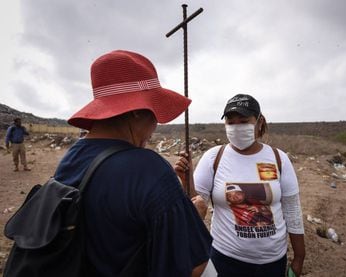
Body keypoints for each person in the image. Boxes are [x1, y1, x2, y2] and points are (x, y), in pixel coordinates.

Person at [53, 50, 211, 277]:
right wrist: (195, 217)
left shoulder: (71, 158)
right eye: (154, 113)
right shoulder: (149, 169)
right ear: (137, 111)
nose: (155, 125)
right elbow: (194, 267)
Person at [175, 94, 305, 277]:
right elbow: (196, 207)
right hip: (224, 260)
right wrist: (186, 181)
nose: (237, 127)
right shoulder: (213, 158)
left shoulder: (279, 159)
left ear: (259, 122)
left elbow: (292, 210)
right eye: (231, 122)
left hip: (273, 263)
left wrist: (299, 257)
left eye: (243, 121)